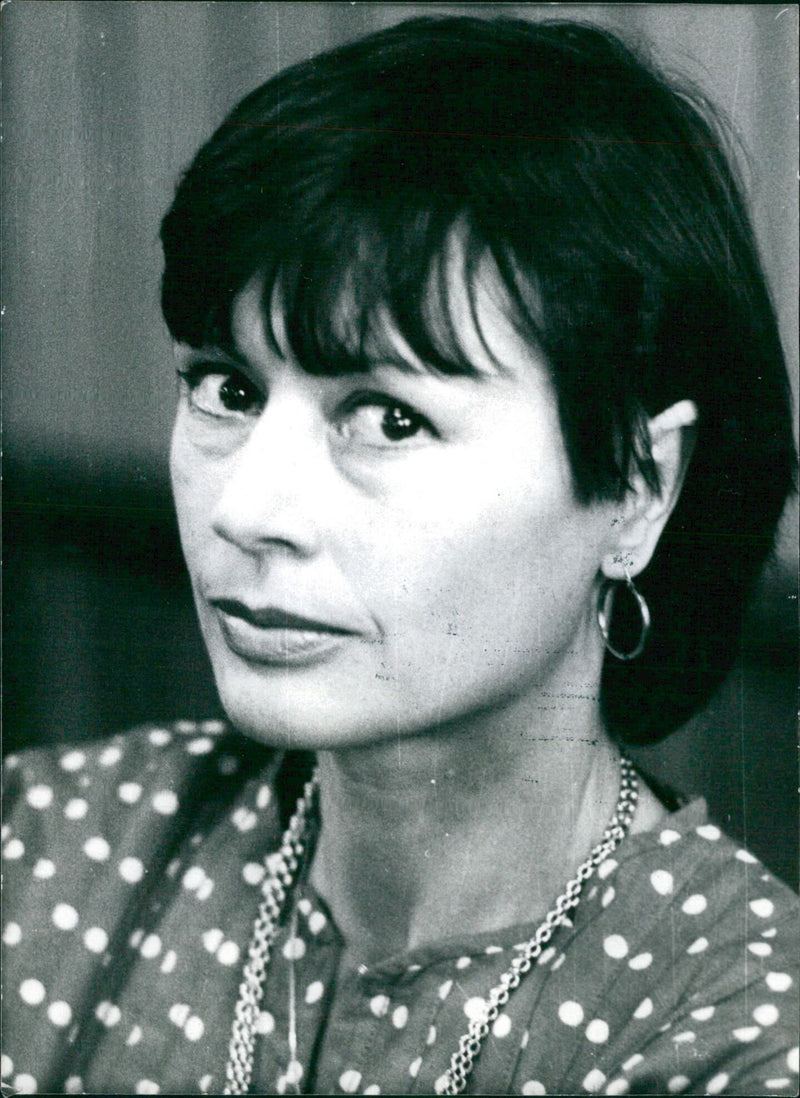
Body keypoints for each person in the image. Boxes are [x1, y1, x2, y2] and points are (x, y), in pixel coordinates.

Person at [2, 15, 797, 1096]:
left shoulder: (733, 1027)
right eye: (226, 390)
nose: (247, 509)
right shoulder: (48, 854)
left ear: (635, 484)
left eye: (385, 417)